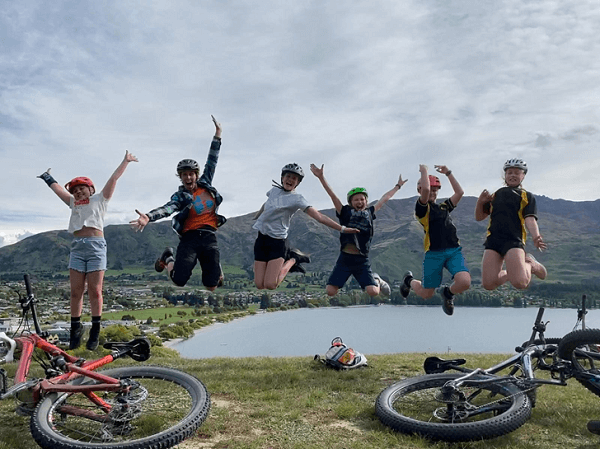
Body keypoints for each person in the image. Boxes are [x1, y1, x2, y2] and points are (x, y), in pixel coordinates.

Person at [38, 151, 138, 350]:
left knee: (94, 290)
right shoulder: (73, 203)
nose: (78, 192)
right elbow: (58, 191)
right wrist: (48, 178)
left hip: (96, 247)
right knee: (76, 292)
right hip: (77, 248)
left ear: (90, 189)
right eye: (75, 190)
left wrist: (125, 161)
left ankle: (95, 329)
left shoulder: (100, 199)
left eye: (82, 188)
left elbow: (113, 179)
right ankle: (75, 330)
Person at [130, 115, 226, 292]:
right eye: (184, 175)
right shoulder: (180, 196)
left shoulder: (206, 185)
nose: (188, 177)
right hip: (189, 238)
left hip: (209, 235)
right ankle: (168, 258)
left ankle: (216, 270)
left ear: (196, 175)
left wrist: (218, 135)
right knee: (179, 280)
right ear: (180, 177)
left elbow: (212, 160)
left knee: (212, 286)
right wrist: (148, 217)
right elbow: (168, 209)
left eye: (191, 174)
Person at [253, 163, 360, 290]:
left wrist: (342, 228)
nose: (290, 180)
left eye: (294, 178)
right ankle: (291, 259)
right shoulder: (274, 191)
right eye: (288, 176)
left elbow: (319, 216)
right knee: (259, 285)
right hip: (261, 240)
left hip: (277, 242)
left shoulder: (297, 199)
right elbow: (267, 204)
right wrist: (257, 216)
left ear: (297, 183)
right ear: (282, 178)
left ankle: (293, 259)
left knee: (270, 285)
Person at [310, 163, 406, 298]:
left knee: (373, 292)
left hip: (362, 260)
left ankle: (377, 279)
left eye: (362, 199)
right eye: (356, 199)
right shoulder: (344, 212)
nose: (359, 201)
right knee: (330, 291)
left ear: (366, 201)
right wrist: (321, 177)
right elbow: (332, 195)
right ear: (351, 202)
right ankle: (372, 280)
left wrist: (398, 186)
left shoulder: (370, 212)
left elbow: (385, 198)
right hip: (345, 258)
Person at [400, 164, 471, 316]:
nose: (432, 192)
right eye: (430, 188)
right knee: (427, 294)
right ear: (419, 190)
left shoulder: (444, 207)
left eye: (435, 189)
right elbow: (425, 191)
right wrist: (424, 171)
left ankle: (447, 293)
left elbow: (460, 192)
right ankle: (408, 280)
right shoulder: (422, 210)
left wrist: (448, 173)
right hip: (434, 254)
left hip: (453, 251)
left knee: (464, 282)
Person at [474, 158, 547, 291]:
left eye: (517, 173)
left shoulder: (526, 196)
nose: (513, 175)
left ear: (523, 175)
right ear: (505, 175)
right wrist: (480, 202)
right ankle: (513, 272)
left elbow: (530, 219)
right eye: (510, 172)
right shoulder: (496, 195)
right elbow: (479, 217)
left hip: (513, 240)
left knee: (520, 282)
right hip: (493, 241)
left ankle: (531, 264)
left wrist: (536, 237)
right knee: (488, 284)